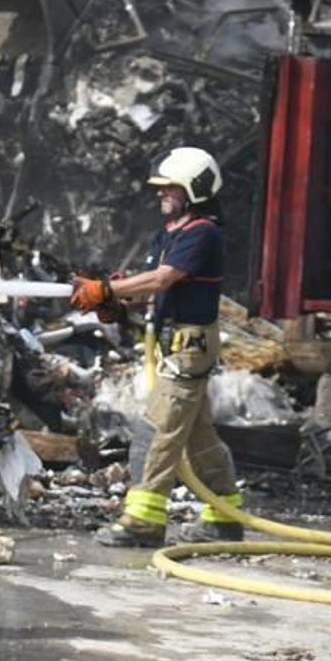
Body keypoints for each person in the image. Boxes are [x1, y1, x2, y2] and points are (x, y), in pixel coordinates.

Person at [71, 146, 244, 548]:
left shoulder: (203, 232)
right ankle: (224, 516)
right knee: (199, 438)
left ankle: (143, 521)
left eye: (168, 187)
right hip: (176, 346)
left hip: (189, 347)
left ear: (194, 188)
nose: (159, 194)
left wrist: (108, 289)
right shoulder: (169, 233)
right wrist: (115, 301)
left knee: (158, 431)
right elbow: (150, 286)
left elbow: (163, 279)